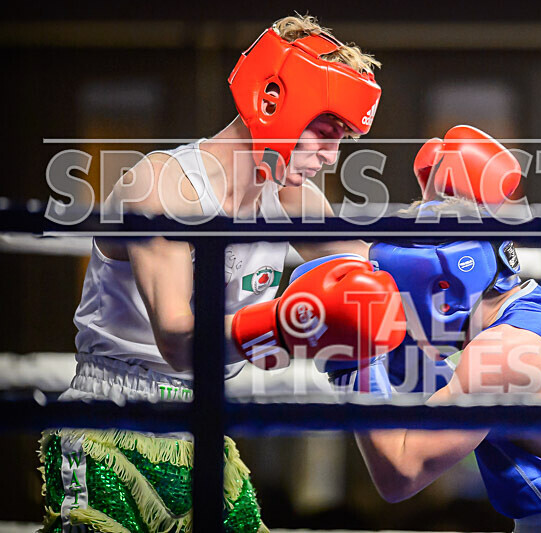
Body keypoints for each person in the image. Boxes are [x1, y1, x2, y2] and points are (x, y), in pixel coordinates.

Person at [40, 14, 382, 533]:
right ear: (273, 103)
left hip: (206, 428)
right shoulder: (162, 186)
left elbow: (376, 269)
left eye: (342, 139)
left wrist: (470, 242)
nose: (331, 157)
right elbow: (178, 340)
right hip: (110, 427)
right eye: (324, 131)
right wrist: (288, 323)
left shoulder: (290, 197)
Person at [329, 127, 541, 531]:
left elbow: (400, 475)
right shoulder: (535, 310)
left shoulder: (498, 356)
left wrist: (353, 363)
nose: (399, 318)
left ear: (442, 292)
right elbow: (346, 257)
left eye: (402, 302)